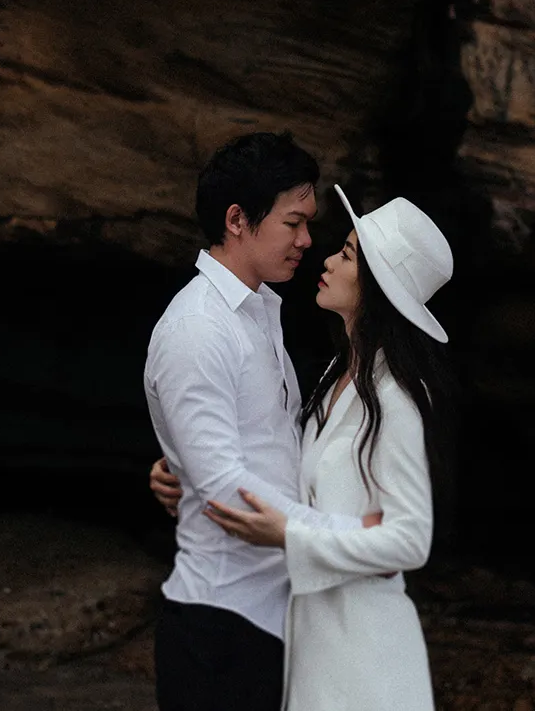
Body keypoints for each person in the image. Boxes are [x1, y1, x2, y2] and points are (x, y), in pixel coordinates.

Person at [144, 133, 377, 711]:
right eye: (293, 222)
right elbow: (226, 489)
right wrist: (356, 541)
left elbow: (266, 450)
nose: (307, 240)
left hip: (271, 618)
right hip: (220, 621)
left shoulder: (258, 311)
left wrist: (178, 468)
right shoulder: (198, 327)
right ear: (238, 219)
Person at [203, 183, 454, 711]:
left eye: (346, 255)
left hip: (368, 652)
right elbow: (283, 462)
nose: (328, 260)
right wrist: (188, 464)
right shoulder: (335, 377)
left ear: (378, 285)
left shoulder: (397, 397)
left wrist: (290, 533)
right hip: (317, 637)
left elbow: (410, 542)